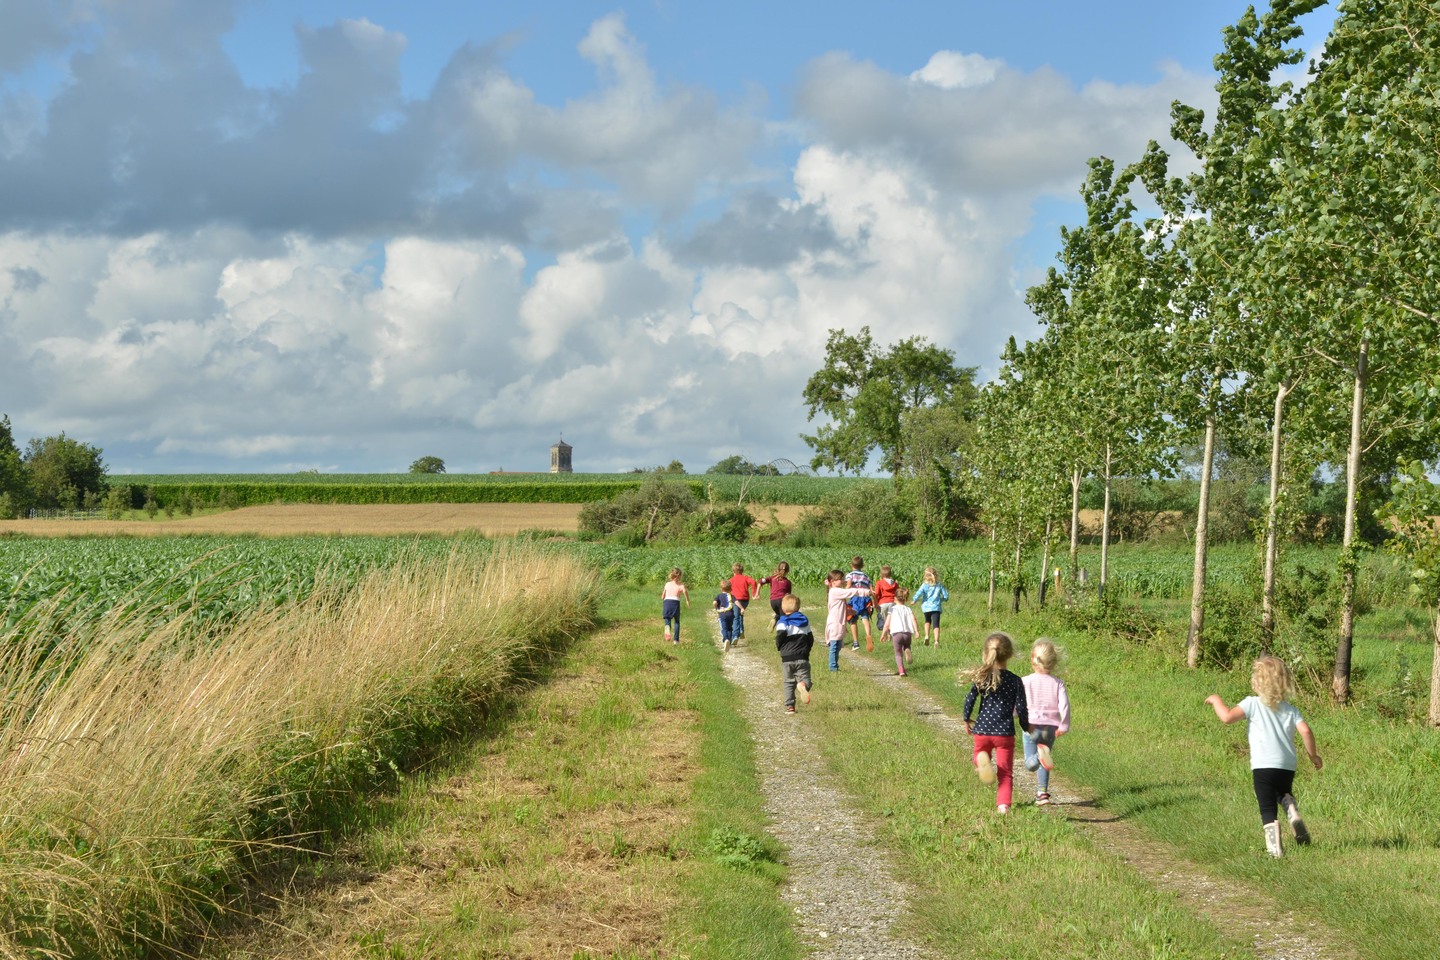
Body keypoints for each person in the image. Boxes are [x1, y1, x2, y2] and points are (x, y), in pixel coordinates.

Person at [1205, 656, 1322, 857]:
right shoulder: (1291, 710)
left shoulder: (1252, 704)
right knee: (1283, 792)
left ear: (1257, 681)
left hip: (1262, 764)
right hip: (1287, 765)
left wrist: (1216, 700)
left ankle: (1274, 849)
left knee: (1267, 805)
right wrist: (1314, 756)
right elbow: (1306, 731)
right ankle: (1291, 809)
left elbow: (1227, 717)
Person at [962, 631, 1031, 814]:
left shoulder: (982, 676)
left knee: (980, 754)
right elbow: (1022, 708)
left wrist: (966, 718)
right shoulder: (1016, 681)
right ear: (1009, 655)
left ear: (986, 653)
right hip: (1004, 733)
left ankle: (981, 763)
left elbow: (970, 699)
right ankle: (1003, 805)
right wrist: (1026, 726)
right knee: (1005, 773)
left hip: (982, 729)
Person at [1021, 638, 1070, 806]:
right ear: (1053, 662)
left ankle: (1038, 756)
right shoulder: (1058, 683)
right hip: (1051, 728)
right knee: (1045, 757)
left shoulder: (1025, 681)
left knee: (1030, 763)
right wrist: (1063, 725)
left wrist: (1014, 715)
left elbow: (1018, 705)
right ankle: (1042, 793)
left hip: (1031, 726)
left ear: (1032, 659)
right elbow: (1064, 705)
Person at [775, 594, 815, 715]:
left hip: (787, 657)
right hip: (802, 656)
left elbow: (780, 635)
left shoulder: (783, 621)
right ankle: (803, 685)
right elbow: (810, 639)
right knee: (805, 678)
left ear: (783, 608)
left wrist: (779, 646)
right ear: (798, 607)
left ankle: (790, 706)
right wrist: (807, 650)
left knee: (788, 682)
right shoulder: (804, 621)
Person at [824, 569, 870, 672]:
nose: (843, 581)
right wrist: (866, 592)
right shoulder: (835, 591)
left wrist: (850, 611)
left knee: (838, 646)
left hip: (838, 623)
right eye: (840, 579)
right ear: (833, 581)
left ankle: (834, 666)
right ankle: (833, 667)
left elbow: (842, 605)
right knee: (834, 646)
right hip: (835, 623)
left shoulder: (836, 591)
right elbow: (851, 592)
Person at [879, 585, 918, 676]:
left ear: (895, 598)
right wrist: (916, 631)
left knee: (898, 653)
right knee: (907, 646)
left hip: (896, 633)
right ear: (905, 598)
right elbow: (914, 619)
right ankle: (907, 650)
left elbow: (887, 624)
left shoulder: (892, 609)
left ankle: (901, 670)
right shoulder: (908, 609)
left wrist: (883, 634)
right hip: (907, 633)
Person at [912, 566, 950, 646]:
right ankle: (936, 641)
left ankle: (926, 636)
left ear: (925, 576)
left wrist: (914, 600)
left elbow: (919, 593)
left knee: (927, 621)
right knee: (936, 624)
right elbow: (946, 596)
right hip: (936, 607)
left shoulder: (924, 585)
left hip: (926, 607)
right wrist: (942, 600)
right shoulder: (939, 585)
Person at [844, 556, 874, 651]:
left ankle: (856, 642)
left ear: (851, 565)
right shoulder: (866, 576)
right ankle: (868, 635)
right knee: (865, 619)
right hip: (866, 599)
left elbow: (848, 585)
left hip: (855, 599)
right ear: (862, 565)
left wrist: (843, 593)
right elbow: (871, 589)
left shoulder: (850, 575)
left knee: (853, 620)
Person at [729, 562, 760, 641]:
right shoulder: (745, 577)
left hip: (736, 600)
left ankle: (735, 635)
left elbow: (727, 588)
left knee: (735, 617)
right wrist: (754, 593)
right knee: (740, 614)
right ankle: (741, 630)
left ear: (733, 571)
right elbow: (753, 582)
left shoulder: (731, 580)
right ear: (742, 571)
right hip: (745, 600)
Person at [660, 567, 690, 644]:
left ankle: (667, 627)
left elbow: (662, 596)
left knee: (667, 619)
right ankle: (676, 640)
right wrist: (687, 600)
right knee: (677, 621)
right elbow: (685, 591)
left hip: (667, 602)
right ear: (680, 576)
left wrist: (664, 598)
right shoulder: (681, 585)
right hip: (675, 603)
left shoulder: (667, 584)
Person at [759, 561, 793, 628]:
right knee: (784, 617)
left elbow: (761, 581)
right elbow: (788, 595)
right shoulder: (788, 582)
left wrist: (757, 592)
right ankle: (781, 633)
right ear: (788, 571)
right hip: (782, 600)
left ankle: (775, 619)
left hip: (773, 601)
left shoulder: (772, 578)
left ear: (778, 569)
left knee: (779, 613)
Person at [713, 579, 738, 652]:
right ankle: (729, 641)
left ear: (721, 588)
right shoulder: (731, 596)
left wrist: (716, 608)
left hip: (722, 615)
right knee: (730, 628)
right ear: (730, 588)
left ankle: (725, 639)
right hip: (730, 614)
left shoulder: (718, 596)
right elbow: (736, 602)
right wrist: (742, 608)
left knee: (724, 628)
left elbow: (714, 603)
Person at [873, 564, 899, 633]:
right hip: (893, 603)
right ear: (890, 574)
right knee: (892, 620)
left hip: (883, 604)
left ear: (881, 574)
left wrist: (875, 604)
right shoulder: (895, 584)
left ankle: (886, 634)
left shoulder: (879, 583)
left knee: (884, 621)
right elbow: (898, 593)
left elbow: (876, 594)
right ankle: (891, 634)